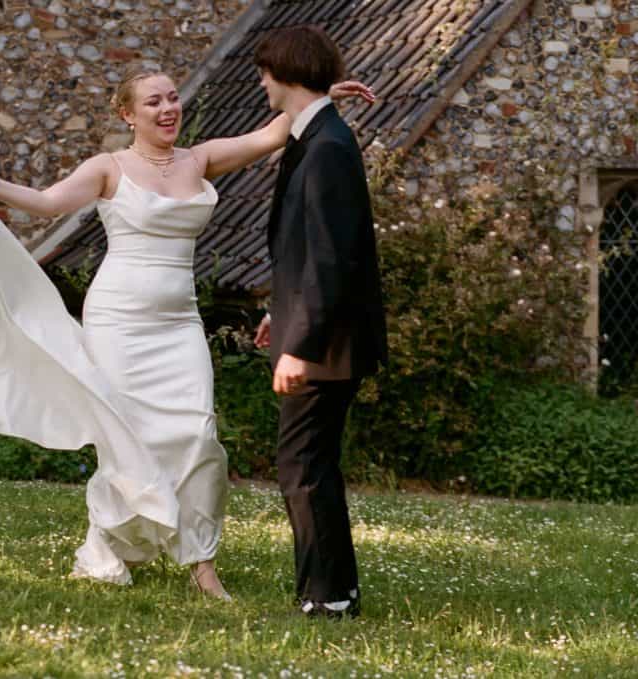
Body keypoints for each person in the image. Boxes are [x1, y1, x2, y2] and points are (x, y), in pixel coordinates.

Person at [0, 70, 372, 599]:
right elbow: (50, 202)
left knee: (198, 434)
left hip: (179, 324)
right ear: (129, 115)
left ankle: (201, 559)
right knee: (126, 437)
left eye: (172, 98)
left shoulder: (200, 158)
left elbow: (273, 133)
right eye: (153, 102)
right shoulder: (109, 168)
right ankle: (111, 542)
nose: (168, 108)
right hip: (118, 323)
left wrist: (321, 95)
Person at [252, 26, 388, 618]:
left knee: (302, 467)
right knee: (311, 465)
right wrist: (275, 316)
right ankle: (335, 591)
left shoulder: (328, 145)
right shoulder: (316, 134)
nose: (260, 82)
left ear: (285, 74)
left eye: (264, 72)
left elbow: (334, 259)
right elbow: (307, 251)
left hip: (326, 347)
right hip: (318, 335)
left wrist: (299, 346)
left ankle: (329, 596)